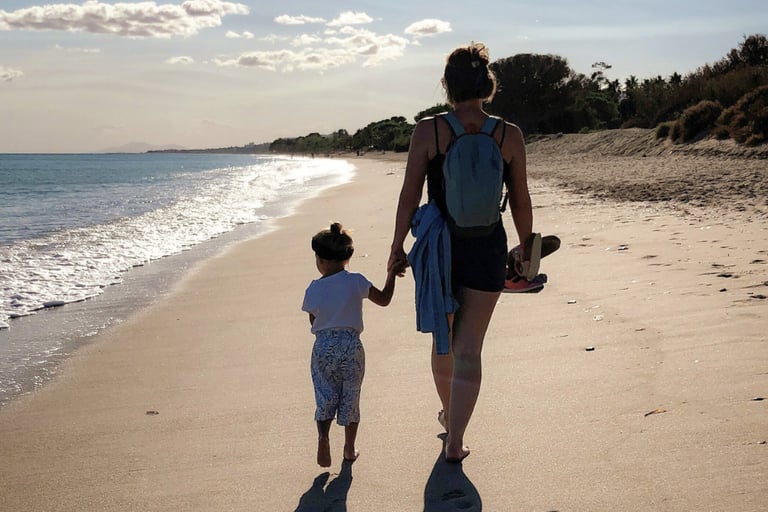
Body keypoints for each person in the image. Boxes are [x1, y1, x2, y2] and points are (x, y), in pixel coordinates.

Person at [387, 42, 536, 463]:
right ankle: (456, 440)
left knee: (443, 343)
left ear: (447, 86)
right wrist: (525, 248)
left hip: (440, 248)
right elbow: (521, 199)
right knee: (470, 348)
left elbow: (408, 195)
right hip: (488, 245)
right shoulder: (508, 134)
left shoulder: (429, 130)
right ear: (487, 85)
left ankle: (449, 423)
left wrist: (397, 246)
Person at [303, 222, 404, 467]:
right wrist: (391, 274)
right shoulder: (356, 281)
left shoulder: (314, 288)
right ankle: (349, 448)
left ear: (322, 261)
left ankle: (323, 436)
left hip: (324, 346)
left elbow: (313, 319)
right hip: (352, 346)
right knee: (351, 397)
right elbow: (384, 299)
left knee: (326, 395)